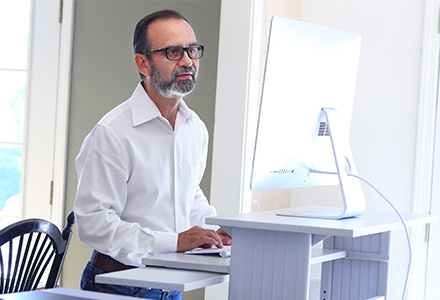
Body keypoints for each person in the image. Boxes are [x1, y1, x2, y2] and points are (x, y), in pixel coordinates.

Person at [73, 9, 231, 300]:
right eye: (173, 52)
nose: (187, 61)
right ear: (143, 63)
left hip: (170, 285)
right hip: (118, 285)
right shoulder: (112, 132)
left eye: (192, 50)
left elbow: (187, 193)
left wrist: (212, 230)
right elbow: (94, 223)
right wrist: (177, 241)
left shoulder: (195, 129)